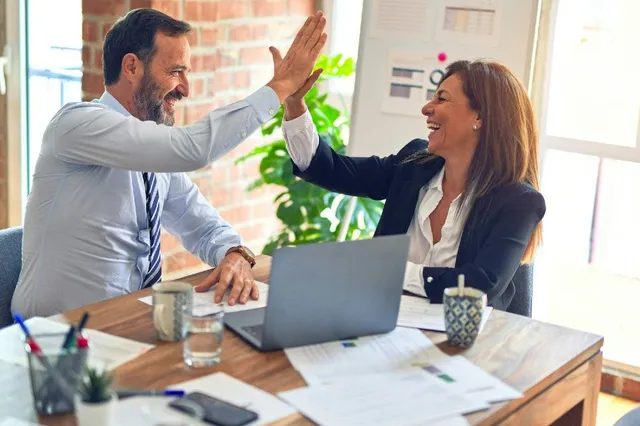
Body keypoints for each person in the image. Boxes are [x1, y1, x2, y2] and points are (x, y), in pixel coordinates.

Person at [11, 8, 327, 318]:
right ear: (132, 67)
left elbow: (201, 224)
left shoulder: (154, 155)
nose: (185, 89)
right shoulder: (77, 125)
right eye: (176, 71)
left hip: (127, 325)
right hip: (53, 338)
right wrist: (281, 86)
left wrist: (234, 254)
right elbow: (193, 149)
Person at [280, 59, 545, 311]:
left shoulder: (519, 202)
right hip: (384, 323)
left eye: (441, 98)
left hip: (468, 344)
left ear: (480, 117)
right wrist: (294, 104)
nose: (427, 108)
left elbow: (479, 287)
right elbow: (332, 170)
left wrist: (389, 270)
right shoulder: (414, 164)